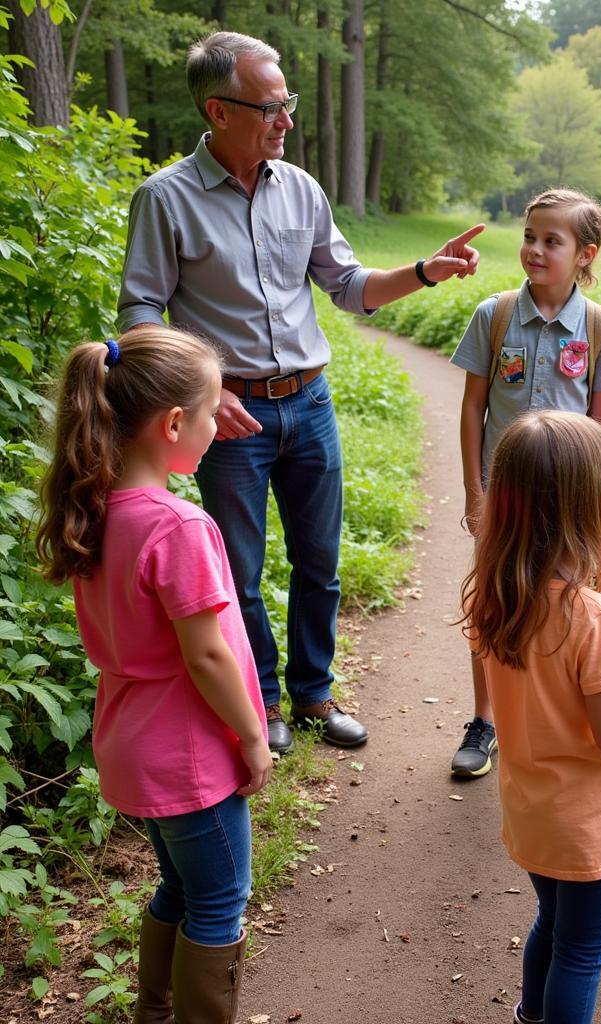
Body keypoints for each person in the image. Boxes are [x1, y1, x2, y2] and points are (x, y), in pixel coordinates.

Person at [117, 31, 484, 755]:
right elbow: (138, 312)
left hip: (310, 405)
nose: (287, 119)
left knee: (320, 563)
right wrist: (201, 387)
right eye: (272, 106)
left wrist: (424, 272)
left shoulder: (303, 189)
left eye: (289, 103)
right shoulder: (164, 199)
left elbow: (347, 286)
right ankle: (264, 700)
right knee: (241, 573)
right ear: (220, 112)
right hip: (228, 418)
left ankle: (315, 695)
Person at [36, 326, 274, 1024]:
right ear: (174, 424)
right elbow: (206, 655)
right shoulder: (177, 525)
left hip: (133, 746)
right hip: (191, 756)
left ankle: (154, 1011)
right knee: (220, 899)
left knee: (179, 887)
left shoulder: (98, 511)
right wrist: (252, 735)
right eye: (210, 414)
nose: (213, 428)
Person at [461, 410, 601, 1024]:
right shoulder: (593, 616)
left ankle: (529, 1015)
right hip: (589, 828)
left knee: (551, 925)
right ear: (584, 508)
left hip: (532, 813)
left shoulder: (494, 595)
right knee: (582, 953)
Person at [448, 188, 601, 778]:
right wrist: (476, 491)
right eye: (530, 236)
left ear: (585, 254)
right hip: (506, 492)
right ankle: (486, 719)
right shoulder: (494, 316)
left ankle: (556, 715)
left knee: (569, 600)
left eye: (553, 240)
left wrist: (600, 501)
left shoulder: (598, 327)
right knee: (494, 598)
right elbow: (474, 407)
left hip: (572, 497)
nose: (535, 249)